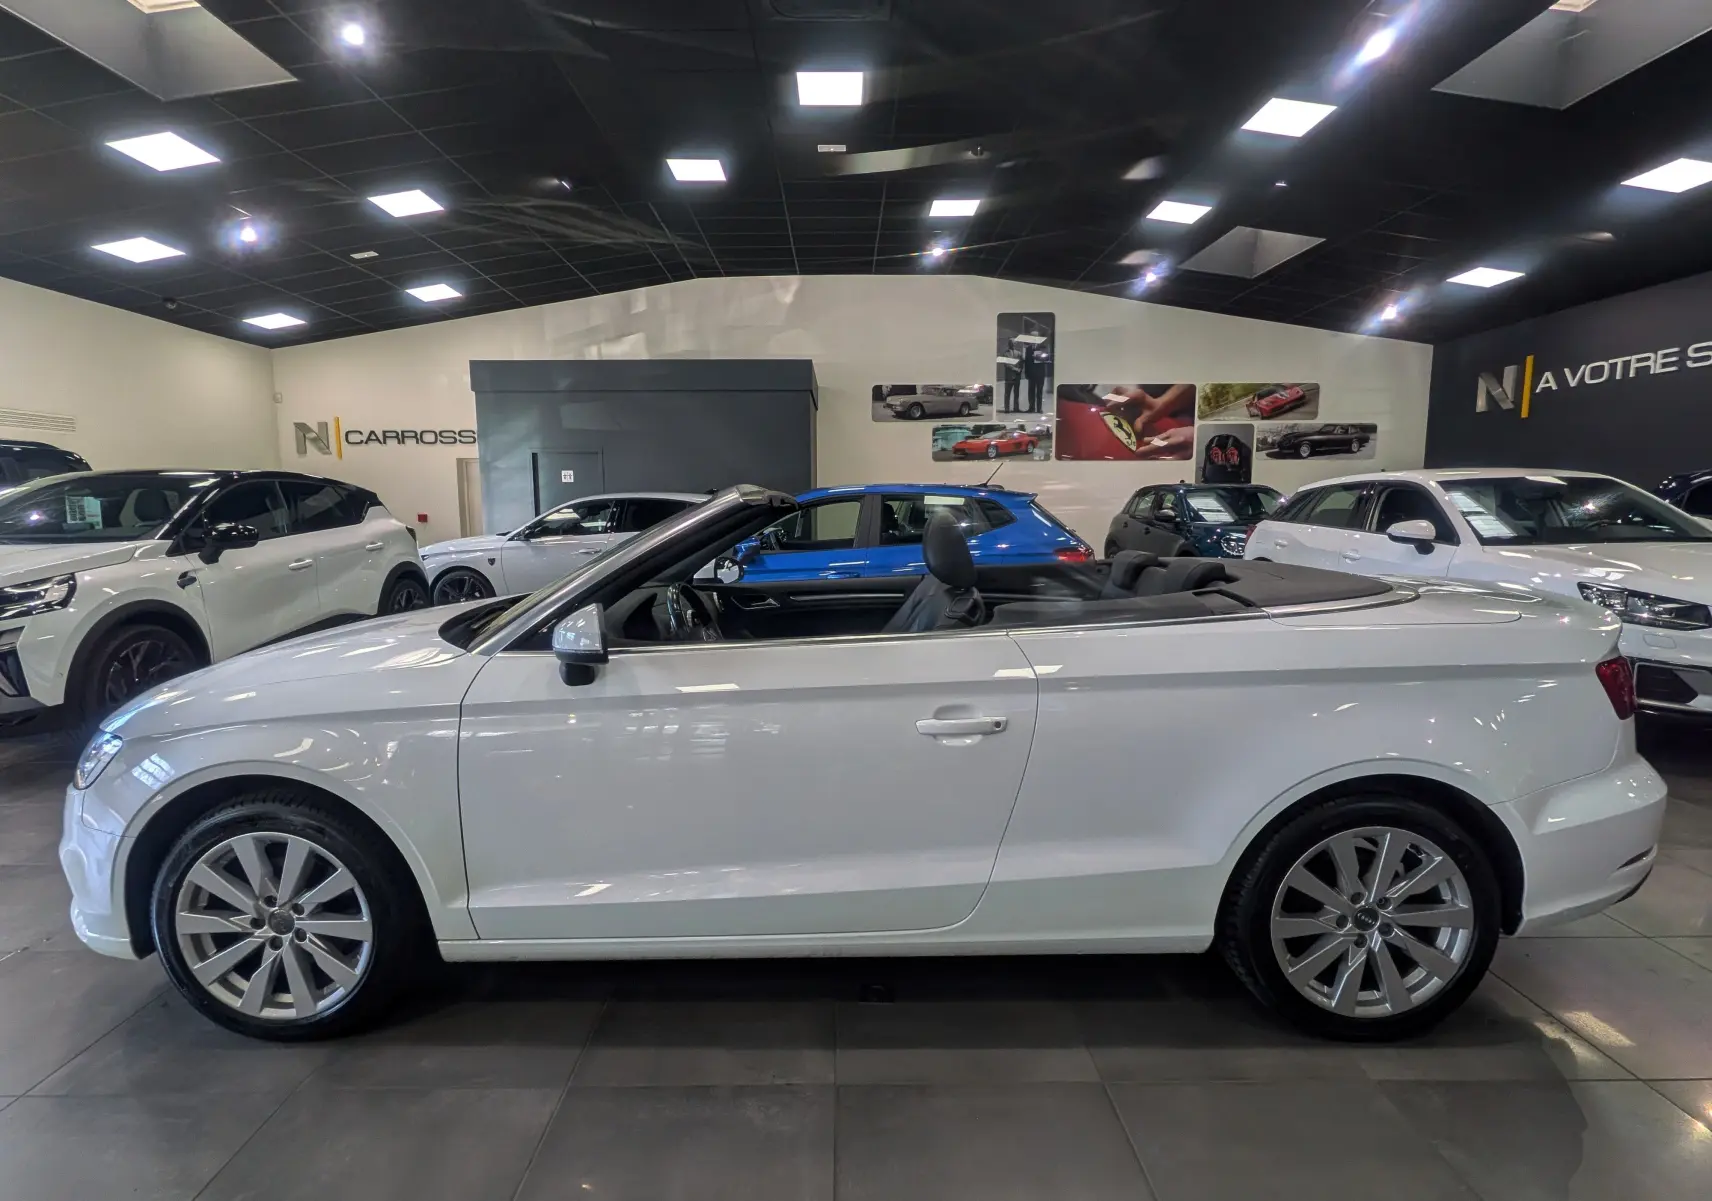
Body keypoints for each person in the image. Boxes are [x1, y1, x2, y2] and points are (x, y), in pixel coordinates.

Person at [1024, 344, 1047, 412]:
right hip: (1031, 374)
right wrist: (1026, 373)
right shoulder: (1028, 349)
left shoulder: (1042, 347)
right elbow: (1027, 361)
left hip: (1040, 374)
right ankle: (1031, 408)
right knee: (1031, 391)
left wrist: (1037, 357)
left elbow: (1046, 358)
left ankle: (1039, 409)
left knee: (1039, 392)